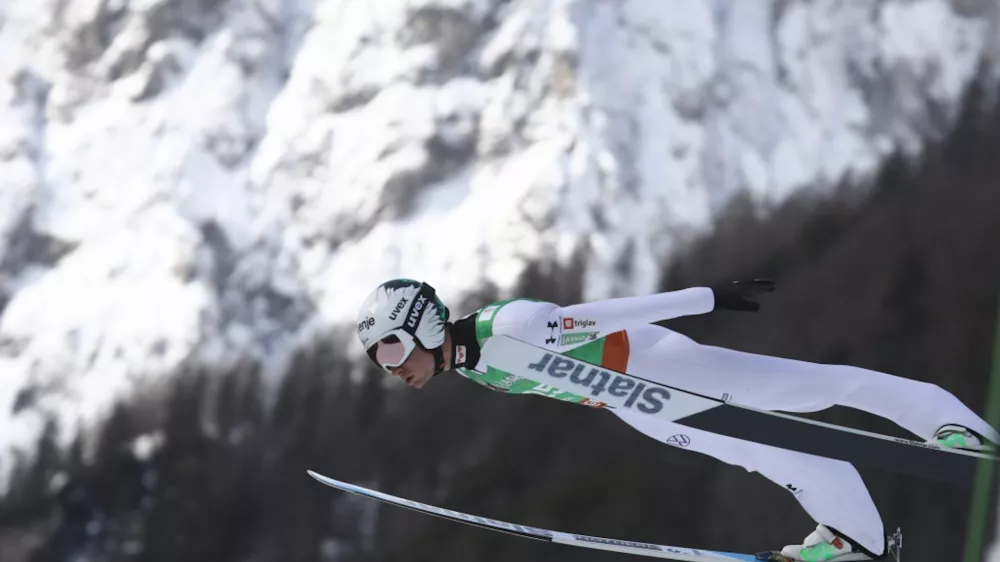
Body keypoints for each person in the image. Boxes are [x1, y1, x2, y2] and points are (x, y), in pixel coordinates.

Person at [355, 278, 999, 561]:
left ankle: (961, 431)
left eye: (391, 349)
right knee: (778, 456)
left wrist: (706, 297)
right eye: (378, 360)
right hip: (644, 409)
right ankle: (855, 539)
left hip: (667, 369)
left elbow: (603, 316)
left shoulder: (510, 327)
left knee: (817, 389)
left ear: (424, 324)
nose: (392, 368)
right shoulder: (471, 366)